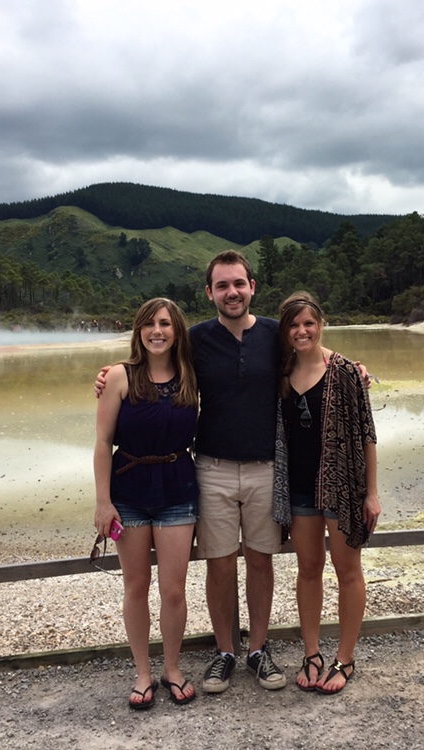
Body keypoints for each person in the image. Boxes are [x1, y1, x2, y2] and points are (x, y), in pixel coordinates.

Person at [96, 250, 288, 693]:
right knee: (219, 564)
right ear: (210, 293)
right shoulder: (195, 341)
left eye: (238, 283)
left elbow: (311, 345)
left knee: (261, 562)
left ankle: (258, 650)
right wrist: (107, 376)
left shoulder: (276, 335)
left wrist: (351, 365)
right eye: (222, 285)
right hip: (211, 469)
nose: (232, 292)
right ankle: (224, 652)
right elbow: (151, 362)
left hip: (265, 468)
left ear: (252, 287)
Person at [94, 298, 200, 709]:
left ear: (177, 331)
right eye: (149, 324)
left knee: (173, 591)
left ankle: (171, 667)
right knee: (136, 586)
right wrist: (103, 503)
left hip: (177, 488)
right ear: (138, 331)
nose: (157, 331)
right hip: (130, 492)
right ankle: (142, 672)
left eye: (166, 324)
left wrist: (354, 368)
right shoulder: (120, 376)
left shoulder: (192, 375)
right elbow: (103, 443)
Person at [274, 291, 380, 695]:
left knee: (347, 569)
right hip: (299, 489)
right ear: (285, 331)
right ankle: (313, 653)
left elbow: (368, 435)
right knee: (308, 569)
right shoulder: (280, 372)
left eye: (308, 323)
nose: (301, 331)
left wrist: (371, 493)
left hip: (342, 488)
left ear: (320, 324)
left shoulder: (347, 372)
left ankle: (346, 658)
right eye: (293, 325)